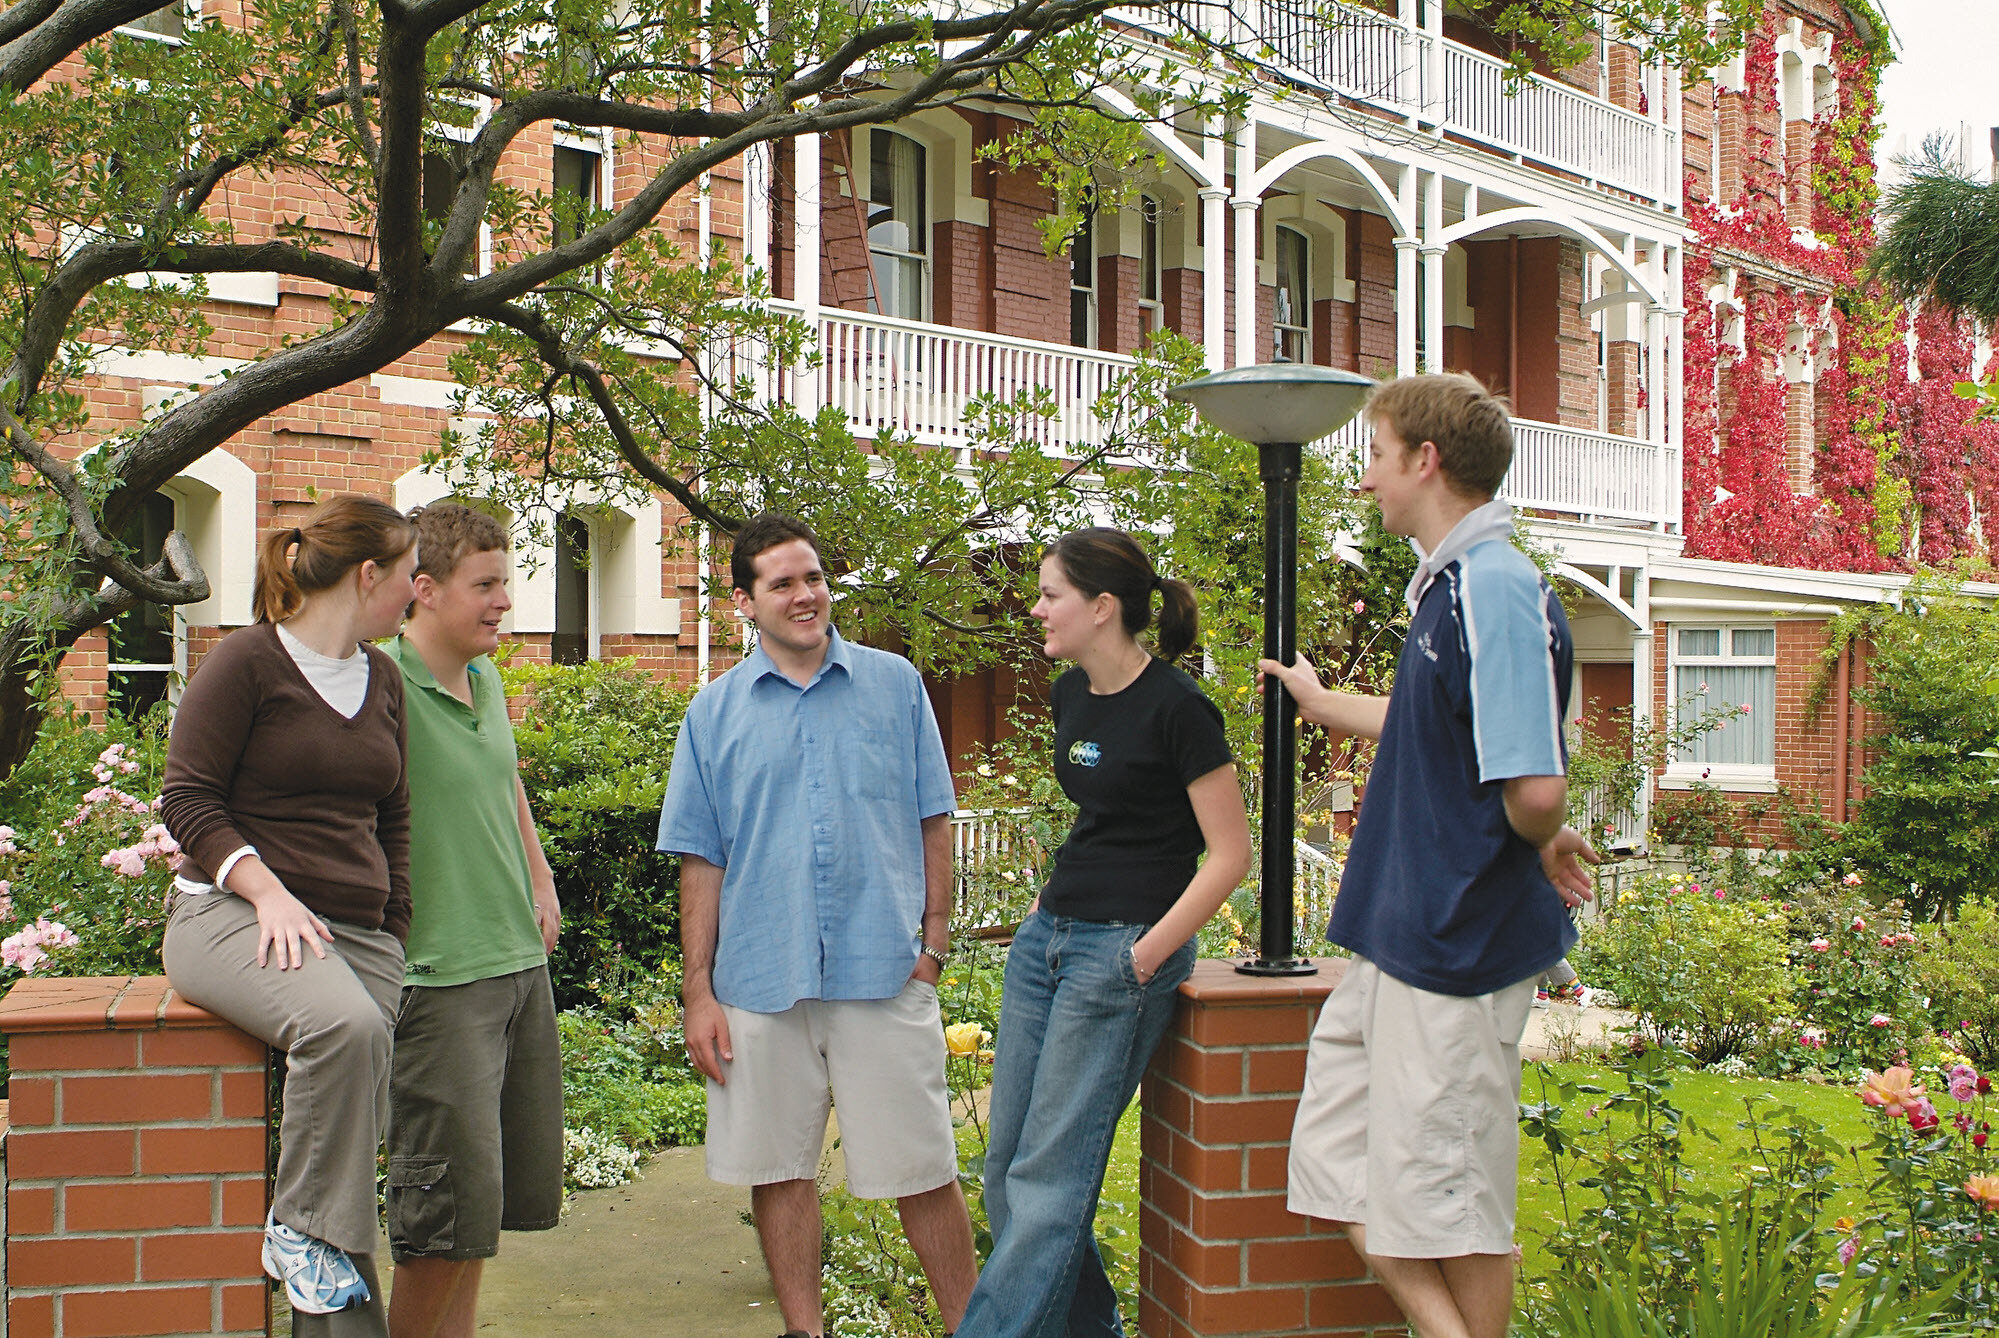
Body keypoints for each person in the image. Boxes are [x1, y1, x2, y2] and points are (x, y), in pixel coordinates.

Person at [1260, 373, 1598, 1338]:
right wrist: (1326, 706)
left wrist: (1539, 831)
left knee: (1452, 1208)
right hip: (1399, 938)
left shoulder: (1492, 583)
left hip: (1455, 945)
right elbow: (1451, 734)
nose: (1365, 478)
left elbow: (1531, 787)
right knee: (1336, 1161)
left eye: (1373, 455)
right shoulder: (1452, 584)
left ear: (1424, 460)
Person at [656, 512, 979, 1338]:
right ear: (744, 602)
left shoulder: (895, 684)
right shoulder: (712, 716)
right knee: (778, 1168)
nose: (805, 597)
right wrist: (698, 991)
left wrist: (933, 943)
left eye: (813, 578)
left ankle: (972, 1327)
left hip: (883, 971)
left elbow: (933, 817)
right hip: (760, 981)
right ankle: (806, 1331)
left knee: (923, 1169)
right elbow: (701, 860)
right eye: (783, 584)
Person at [956, 527, 1252, 1338]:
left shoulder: (1180, 708)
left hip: (1118, 954)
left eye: (1050, 593)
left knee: (1051, 1180)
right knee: (1006, 1172)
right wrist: (1040, 916)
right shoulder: (1071, 694)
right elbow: (1100, 819)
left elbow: (1230, 856)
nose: (1035, 608)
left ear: (1101, 606)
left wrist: (1146, 953)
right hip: (1047, 940)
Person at [161, 495, 419, 1328]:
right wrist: (266, 888)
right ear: (369, 575)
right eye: (411, 577)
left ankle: (326, 1253)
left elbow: (395, 818)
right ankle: (300, 1230)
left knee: (364, 1063)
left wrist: (395, 928)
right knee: (343, 1031)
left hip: (353, 929)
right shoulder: (247, 662)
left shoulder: (383, 677)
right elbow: (186, 799)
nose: (416, 594)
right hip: (229, 916)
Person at [382, 503, 564, 1338]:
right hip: (438, 978)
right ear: (423, 590)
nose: (504, 601)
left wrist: (540, 875)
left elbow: (506, 784)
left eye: (505, 581)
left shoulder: (485, 678)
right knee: (438, 1230)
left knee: (478, 1219)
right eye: (484, 584)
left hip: (514, 963)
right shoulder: (379, 686)